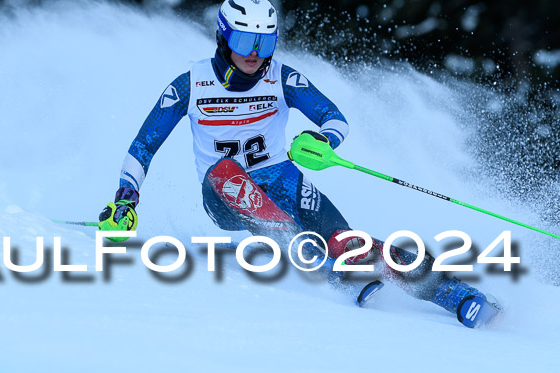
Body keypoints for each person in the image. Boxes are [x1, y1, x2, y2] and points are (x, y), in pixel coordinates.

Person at [97, 0, 497, 328]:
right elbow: (143, 145)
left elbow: (335, 119)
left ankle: (457, 295)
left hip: (281, 178)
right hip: (222, 193)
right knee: (224, 170)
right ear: (223, 37)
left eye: (265, 43)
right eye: (244, 40)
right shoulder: (191, 83)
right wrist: (126, 198)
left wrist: (321, 140)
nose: (255, 54)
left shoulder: (281, 78)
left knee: (346, 241)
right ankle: (324, 267)